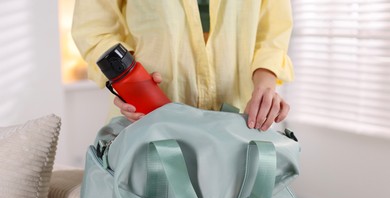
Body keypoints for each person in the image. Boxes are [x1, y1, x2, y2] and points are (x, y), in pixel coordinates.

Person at [72, 0, 294, 131]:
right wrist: (130, 84)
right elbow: (95, 29)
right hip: (147, 122)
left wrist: (265, 85)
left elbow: (273, 29)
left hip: (239, 125)